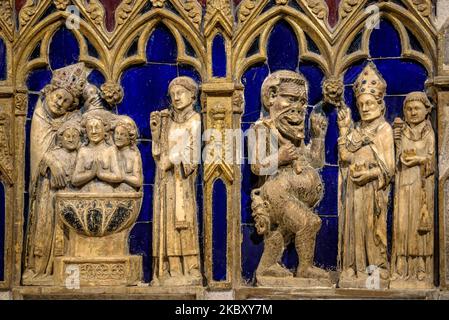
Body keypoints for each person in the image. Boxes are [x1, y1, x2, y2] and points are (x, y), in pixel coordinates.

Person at [250, 70, 329, 282]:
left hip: (298, 193)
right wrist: (281, 156)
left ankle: (266, 267)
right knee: (309, 223)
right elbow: (257, 166)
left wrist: (318, 138)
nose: (298, 107)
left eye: (302, 102)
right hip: (277, 192)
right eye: (291, 99)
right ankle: (305, 268)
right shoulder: (262, 128)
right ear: (271, 97)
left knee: (279, 234)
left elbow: (316, 162)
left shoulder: (296, 135)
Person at [23, 63, 86, 284]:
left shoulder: (71, 120)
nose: (60, 103)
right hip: (46, 186)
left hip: (68, 185)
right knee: (45, 221)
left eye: (66, 102)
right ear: (50, 92)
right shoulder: (40, 117)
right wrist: (50, 160)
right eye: (59, 97)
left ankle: (61, 270)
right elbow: (39, 152)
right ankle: (40, 269)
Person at [337, 63, 395, 286]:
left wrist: (369, 174)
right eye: (361, 105)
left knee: (371, 230)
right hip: (353, 189)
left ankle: (374, 269)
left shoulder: (384, 129)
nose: (365, 108)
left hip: (373, 190)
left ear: (380, 105)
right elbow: (344, 156)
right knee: (353, 229)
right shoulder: (357, 130)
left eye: (370, 103)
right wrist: (343, 130)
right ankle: (353, 267)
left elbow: (388, 167)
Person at [150, 76, 202, 285]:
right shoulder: (167, 120)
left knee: (184, 221)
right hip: (165, 182)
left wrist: (171, 160)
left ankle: (190, 268)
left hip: (183, 181)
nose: (176, 98)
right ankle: (170, 268)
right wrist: (155, 133)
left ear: (192, 95)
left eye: (180, 93)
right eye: (172, 95)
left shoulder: (195, 119)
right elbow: (159, 153)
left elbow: (192, 152)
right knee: (167, 222)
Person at [391, 92, 435, 287]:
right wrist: (397, 143)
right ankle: (401, 266)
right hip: (403, 185)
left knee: (420, 227)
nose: (412, 112)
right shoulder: (403, 131)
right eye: (409, 109)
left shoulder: (429, 132)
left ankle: (421, 268)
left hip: (422, 187)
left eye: (417, 108)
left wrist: (420, 159)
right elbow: (396, 158)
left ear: (427, 110)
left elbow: (432, 159)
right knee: (402, 225)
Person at [72, 110, 122, 192]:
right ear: (86, 132)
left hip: (107, 194)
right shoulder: (83, 151)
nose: (93, 131)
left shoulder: (110, 150)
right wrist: (91, 174)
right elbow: (74, 180)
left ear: (105, 130)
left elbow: (118, 176)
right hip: (85, 194)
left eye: (97, 128)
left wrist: (99, 174)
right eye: (90, 128)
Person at [113, 115, 143, 192]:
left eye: (122, 134)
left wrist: (122, 177)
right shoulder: (111, 151)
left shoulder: (133, 154)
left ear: (130, 137)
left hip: (128, 194)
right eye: (116, 133)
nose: (118, 137)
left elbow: (138, 181)